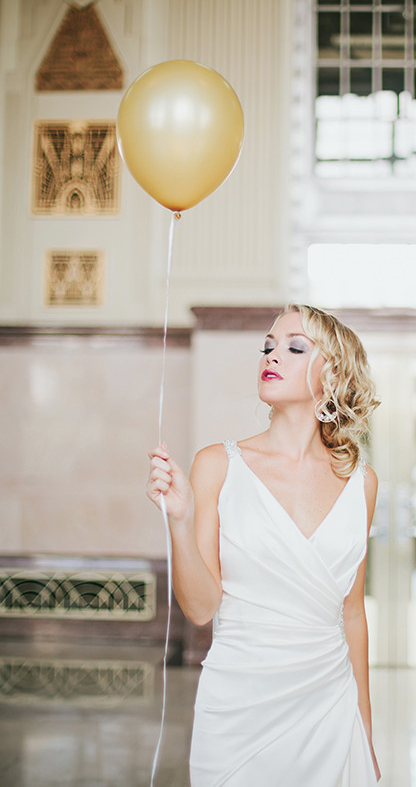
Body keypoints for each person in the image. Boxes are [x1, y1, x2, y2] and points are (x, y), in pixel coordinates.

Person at [146, 303, 382, 785]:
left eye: (295, 347)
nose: (272, 356)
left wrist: (365, 732)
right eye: (268, 346)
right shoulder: (218, 464)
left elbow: (352, 612)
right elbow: (200, 608)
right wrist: (180, 519)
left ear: (333, 376)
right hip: (238, 706)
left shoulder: (361, 482)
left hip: (328, 707)